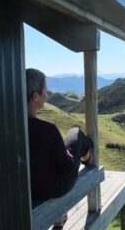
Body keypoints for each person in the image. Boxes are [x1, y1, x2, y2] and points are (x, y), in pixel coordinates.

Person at [26, 68, 93, 228]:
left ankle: (59, 217)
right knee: (75, 134)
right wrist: (69, 155)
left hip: (27, 188)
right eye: (45, 91)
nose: (47, 95)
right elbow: (66, 167)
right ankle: (86, 157)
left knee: (61, 148)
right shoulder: (47, 130)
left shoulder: (7, 128)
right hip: (53, 187)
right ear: (35, 96)